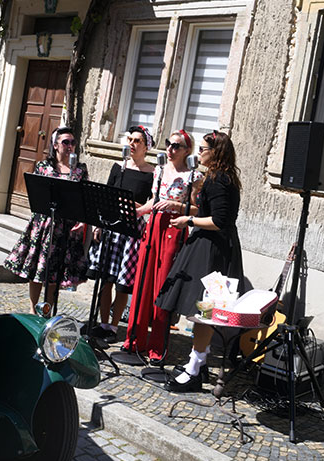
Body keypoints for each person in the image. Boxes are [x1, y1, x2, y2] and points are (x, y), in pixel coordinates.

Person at [157, 131, 250, 392]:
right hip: (212, 247)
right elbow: (211, 213)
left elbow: (220, 221)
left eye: (204, 149)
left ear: (216, 152)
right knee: (203, 311)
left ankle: (195, 370)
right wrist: (181, 207)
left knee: (205, 311)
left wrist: (188, 220)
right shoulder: (219, 178)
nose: (199, 153)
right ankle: (197, 364)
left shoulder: (219, 180)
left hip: (213, 251)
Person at [122, 130, 200, 362]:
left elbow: (196, 209)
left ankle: (157, 347)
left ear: (187, 150)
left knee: (162, 286)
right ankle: (135, 340)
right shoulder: (159, 170)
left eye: (176, 146)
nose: (170, 149)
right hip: (154, 225)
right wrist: (136, 212)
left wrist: (177, 205)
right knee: (143, 282)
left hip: (173, 229)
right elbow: (153, 201)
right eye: (169, 144)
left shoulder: (193, 176)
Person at [3, 126, 90, 314]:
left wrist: (82, 221)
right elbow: (37, 194)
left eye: (73, 143)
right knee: (37, 271)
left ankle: (47, 311)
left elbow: (84, 199)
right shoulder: (44, 167)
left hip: (66, 228)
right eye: (65, 142)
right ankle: (34, 309)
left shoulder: (80, 170)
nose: (69, 146)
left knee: (55, 275)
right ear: (55, 145)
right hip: (44, 225)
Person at [86, 126, 155, 339]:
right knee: (105, 278)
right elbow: (106, 195)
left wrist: (139, 207)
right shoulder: (119, 167)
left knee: (122, 283)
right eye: (130, 140)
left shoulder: (152, 173)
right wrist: (98, 225)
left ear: (146, 147)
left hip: (131, 231)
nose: (132, 144)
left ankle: (114, 327)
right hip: (111, 228)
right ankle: (103, 323)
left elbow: (154, 200)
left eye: (137, 141)